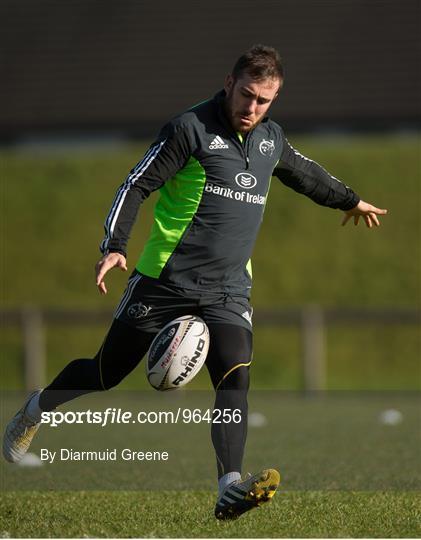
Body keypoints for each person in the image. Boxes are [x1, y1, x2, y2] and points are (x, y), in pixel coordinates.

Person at [3, 44, 387, 520]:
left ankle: (229, 485)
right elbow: (136, 184)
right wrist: (115, 245)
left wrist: (349, 200)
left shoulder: (270, 139)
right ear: (229, 83)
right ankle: (36, 408)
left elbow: (305, 174)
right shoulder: (189, 129)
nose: (252, 108)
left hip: (229, 289)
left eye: (264, 100)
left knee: (235, 379)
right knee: (104, 374)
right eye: (246, 95)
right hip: (166, 280)